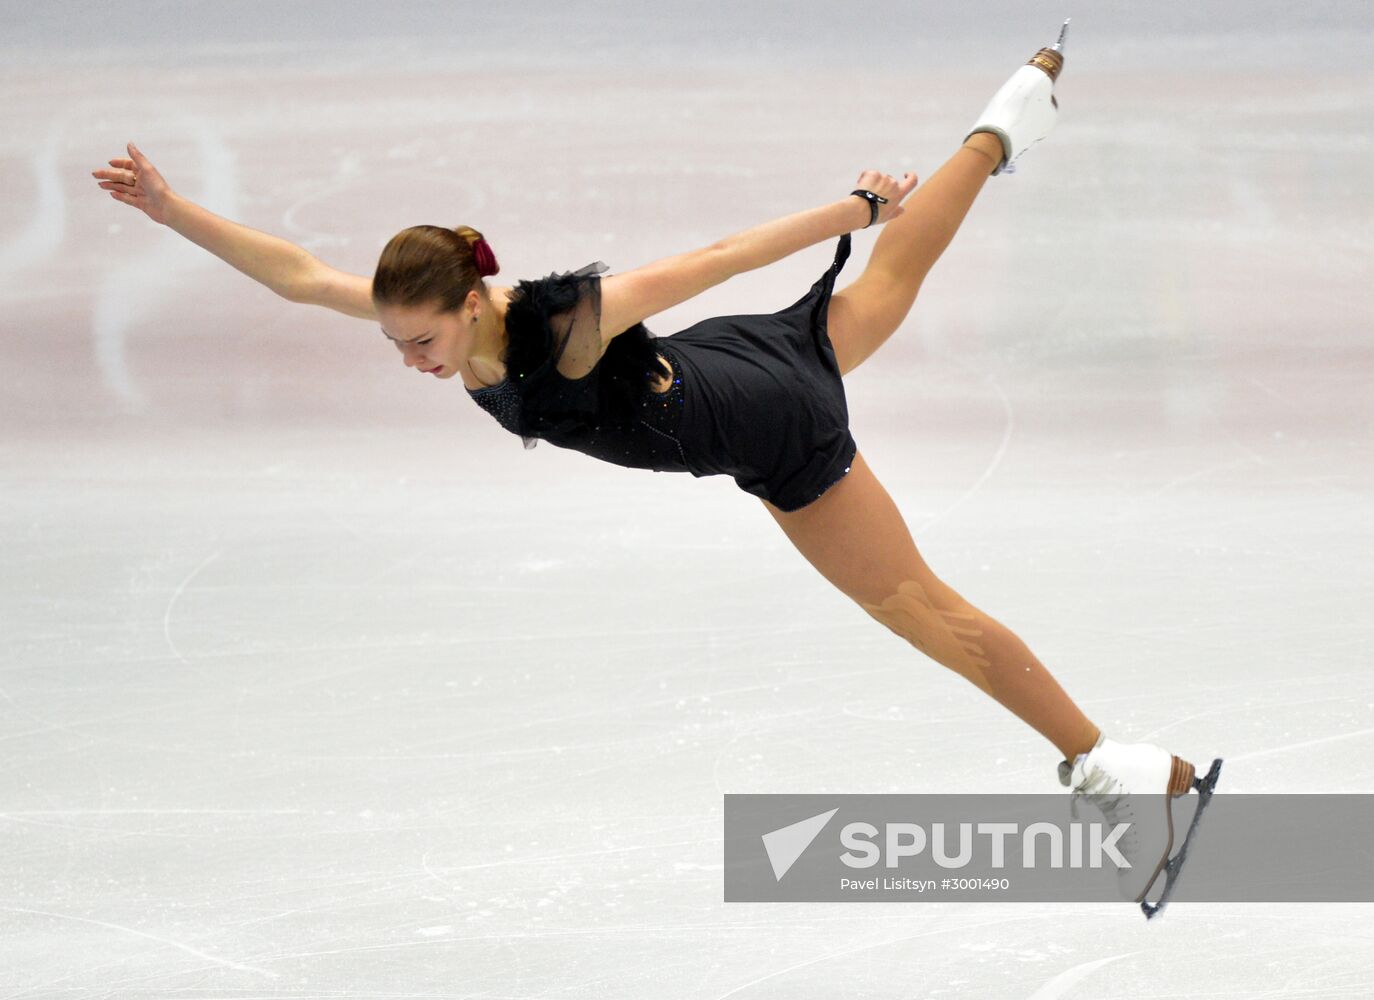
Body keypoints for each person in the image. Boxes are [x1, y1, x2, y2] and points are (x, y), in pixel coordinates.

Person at [92, 30, 1218, 914]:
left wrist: (853, 207)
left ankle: (1121, 768)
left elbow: (714, 257)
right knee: (882, 294)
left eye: (424, 344)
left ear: (472, 303)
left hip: (767, 424)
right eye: (397, 344)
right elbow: (296, 275)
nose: (412, 364)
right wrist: (170, 207)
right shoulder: (436, 317)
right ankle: (1009, 119)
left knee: (921, 607)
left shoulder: (560, 322)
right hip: (733, 366)